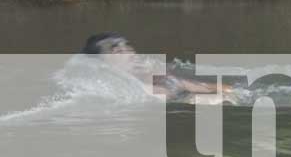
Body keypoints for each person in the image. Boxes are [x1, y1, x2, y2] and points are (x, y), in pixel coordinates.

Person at [81, 32, 234, 101]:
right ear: (100, 64)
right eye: (118, 51)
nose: (131, 54)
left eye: (129, 48)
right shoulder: (101, 90)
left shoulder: (160, 80)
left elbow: (224, 89)